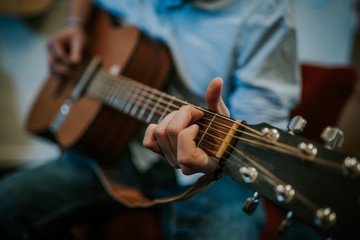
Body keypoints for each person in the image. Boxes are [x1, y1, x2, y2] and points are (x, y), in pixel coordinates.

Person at [0, 0, 310, 239]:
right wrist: (76, 23)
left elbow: (260, 127)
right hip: (112, 151)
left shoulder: (265, 11)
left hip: (214, 172)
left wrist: (217, 157)